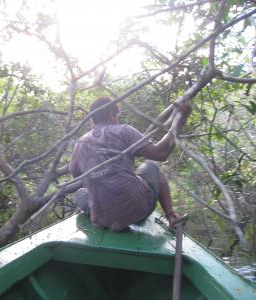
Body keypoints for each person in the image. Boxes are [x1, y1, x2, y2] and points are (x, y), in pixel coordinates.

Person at [69, 96, 191, 231]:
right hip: (137, 211)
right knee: (152, 166)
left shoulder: (81, 142)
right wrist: (181, 119)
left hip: (102, 218)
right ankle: (172, 217)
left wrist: (97, 178)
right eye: (117, 115)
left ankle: (107, 215)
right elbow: (160, 154)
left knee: (81, 193)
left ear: (93, 118)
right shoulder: (123, 130)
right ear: (111, 114)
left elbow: (75, 171)